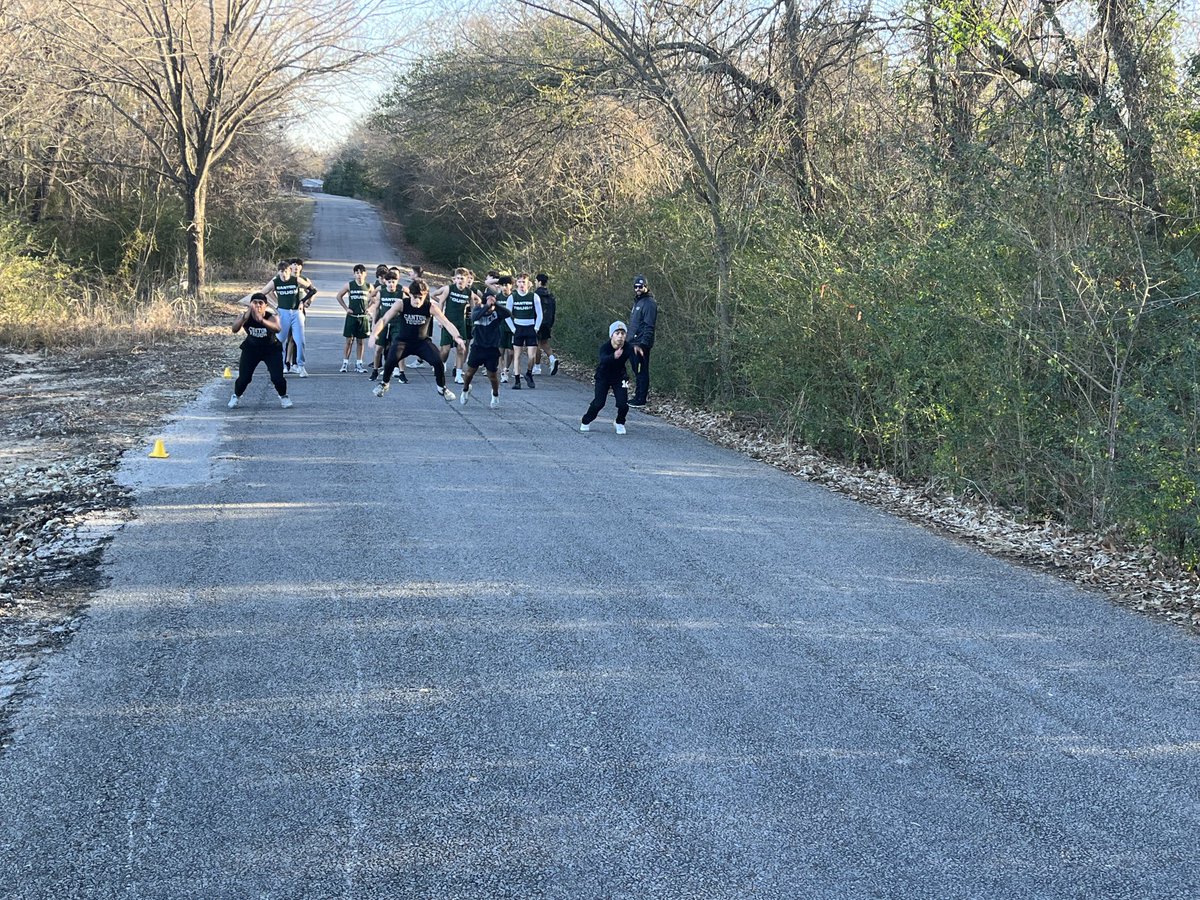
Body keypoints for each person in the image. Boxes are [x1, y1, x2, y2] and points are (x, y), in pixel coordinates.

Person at [370, 278, 466, 400]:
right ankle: (384, 384)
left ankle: (442, 388)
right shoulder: (401, 304)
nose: (417, 300)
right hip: (403, 341)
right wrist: (374, 334)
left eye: (420, 297)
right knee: (391, 359)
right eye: (414, 297)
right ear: (409, 294)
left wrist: (457, 337)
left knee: (438, 361)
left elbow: (446, 323)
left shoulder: (430, 307)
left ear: (425, 295)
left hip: (422, 342)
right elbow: (384, 319)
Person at [228, 293, 292, 409]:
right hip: (251, 349)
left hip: (271, 350)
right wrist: (245, 317)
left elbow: (277, 328)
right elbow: (234, 329)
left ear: (265, 305)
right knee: (244, 378)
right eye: (255, 302)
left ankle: (283, 396)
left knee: (277, 378)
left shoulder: (271, 316)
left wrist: (261, 320)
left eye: (260, 303)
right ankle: (236, 396)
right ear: (250, 304)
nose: (258, 305)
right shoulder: (245, 316)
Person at [459, 288, 513, 409]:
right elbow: (474, 318)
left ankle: (495, 395)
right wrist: (486, 306)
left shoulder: (497, 313)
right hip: (478, 347)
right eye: (488, 302)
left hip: (492, 348)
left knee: (492, 375)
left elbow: (508, 314)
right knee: (469, 373)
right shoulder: (478, 309)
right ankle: (465, 389)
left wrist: (495, 305)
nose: (490, 307)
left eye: (492, 303)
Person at [580, 321, 630, 434]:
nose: (620, 336)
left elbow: (635, 358)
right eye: (617, 333)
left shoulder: (628, 347)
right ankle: (586, 420)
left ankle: (620, 422)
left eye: (623, 333)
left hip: (621, 377)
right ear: (611, 335)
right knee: (599, 403)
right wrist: (614, 356)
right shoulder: (605, 347)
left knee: (623, 404)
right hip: (603, 376)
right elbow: (603, 359)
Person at [431, 267, 478, 384]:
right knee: (445, 349)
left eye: (462, 278)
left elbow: (474, 308)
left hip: (461, 323)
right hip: (448, 321)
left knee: (461, 348)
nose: (460, 281)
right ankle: (441, 365)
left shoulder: (469, 292)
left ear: (467, 279)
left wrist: (474, 320)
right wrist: (440, 320)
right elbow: (441, 302)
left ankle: (458, 374)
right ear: (455, 279)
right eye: (458, 278)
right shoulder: (449, 289)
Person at [366, 268, 405, 382]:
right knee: (378, 349)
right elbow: (377, 309)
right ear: (385, 282)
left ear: (397, 282)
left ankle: (402, 373)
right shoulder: (381, 293)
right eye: (389, 282)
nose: (391, 284)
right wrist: (374, 323)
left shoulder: (401, 293)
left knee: (398, 348)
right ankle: (375, 371)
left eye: (393, 281)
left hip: (397, 324)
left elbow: (407, 308)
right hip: (383, 323)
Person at [506, 272, 543, 389]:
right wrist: (513, 328)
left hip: (531, 327)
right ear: (516, 283)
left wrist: (536, 327)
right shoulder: (512, 297)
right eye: (520, 282)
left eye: (524, 282)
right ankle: (517, 380)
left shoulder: (534, 296)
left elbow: (540, 314)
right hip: (518, 327)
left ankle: (529, 373)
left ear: (528, 284)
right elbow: (507, 315)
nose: (522, 284)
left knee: (531, 356)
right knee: (517, 355)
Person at [628, 274, 657, 405]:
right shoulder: (638, 302)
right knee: (636, 370)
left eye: (640, 286)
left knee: (641, 370)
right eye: (636, 286)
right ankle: (637, 395)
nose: (638, 289)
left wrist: (643, 344)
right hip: (633, 342)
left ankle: (641, 398)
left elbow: (649, 325)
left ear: (646, 286)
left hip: (641, 344)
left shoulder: (649, 303)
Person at [284, 259, 317, 374]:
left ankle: (295, 364)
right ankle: (287, 363)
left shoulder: (304, 280)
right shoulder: (286, 278)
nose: (296, 267)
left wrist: (307, 301)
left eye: (298, 265)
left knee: (297, 338)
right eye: (294, 265)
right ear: (290, 267)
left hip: (299, 311)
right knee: (289, 338)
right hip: (287, 310)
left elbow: (313, 291)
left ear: (301, 267)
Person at [336, 264, 371, 373]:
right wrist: (346, 308)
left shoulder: (369, 286)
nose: (359, 275)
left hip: (363, 317)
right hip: (352, 317)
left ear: (365, 274)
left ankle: (359, 364)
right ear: (354, 274)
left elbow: (375, 298)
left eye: (361, 273)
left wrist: (369, 308)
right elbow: (339, 296)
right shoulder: (349, 285)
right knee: (349, 341)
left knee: (361, 341)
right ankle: (345, 363)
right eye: (357, 273)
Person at [533, 272, 558, 376]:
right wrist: (551, 323)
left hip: (537, 322)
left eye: (535, 281)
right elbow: (553, 311)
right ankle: (552, 359)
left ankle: (537, 367)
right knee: (544, 342)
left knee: (536, 344)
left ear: (539, 282)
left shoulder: (535, 295)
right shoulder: (551, 295)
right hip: (548, 323)